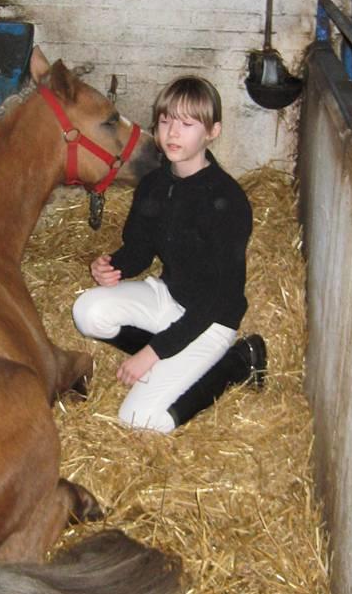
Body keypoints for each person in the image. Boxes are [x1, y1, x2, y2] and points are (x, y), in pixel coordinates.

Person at [72, 75, 266, 433]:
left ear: (212, 131)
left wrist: (152, 353)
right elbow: (140, 250)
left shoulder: (227, 202)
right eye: (165, 121)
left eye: (187, 123)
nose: (173, 133)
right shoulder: (155, 185)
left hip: (209, 321)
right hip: (168, 297)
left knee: (138, 420)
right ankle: (175, 357)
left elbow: (215, 299)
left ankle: (238, 362)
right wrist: (113, 266)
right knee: (86, 312)